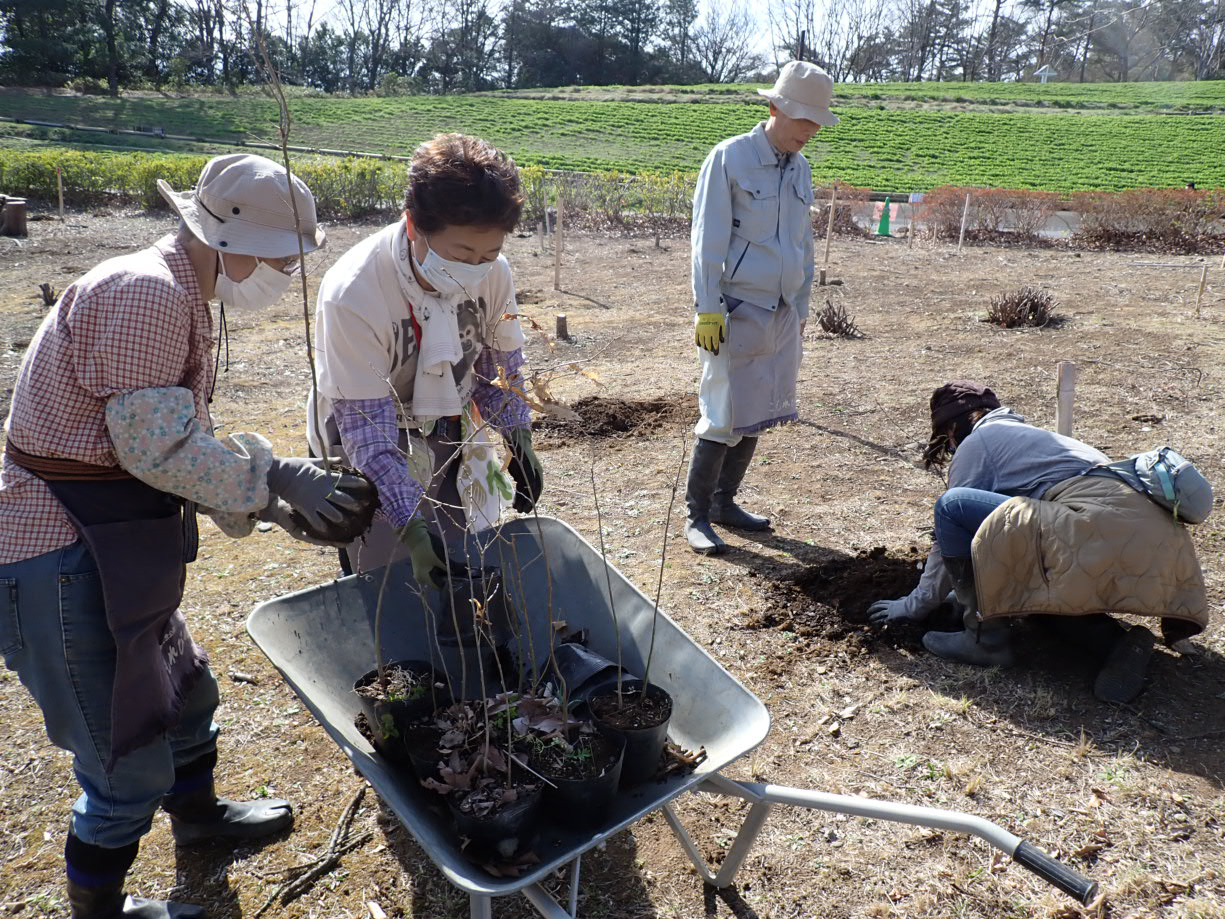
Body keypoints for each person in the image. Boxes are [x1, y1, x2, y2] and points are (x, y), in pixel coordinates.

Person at [0, 154, 374, 918]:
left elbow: (174, 432)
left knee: (186, 689)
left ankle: (198, 819)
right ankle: (99, 907)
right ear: (232, 240)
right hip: (57, 548)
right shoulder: (147, 294)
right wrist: (270, 484)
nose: (284, 273)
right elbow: (157, 449)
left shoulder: (178, 291)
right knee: (123, 752)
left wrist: (267, 493)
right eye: (280, 258)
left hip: (109, 539)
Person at [868, 381, 1209, 703]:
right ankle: (1116, 645)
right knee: (1031, 595)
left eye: (947, 438)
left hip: (1094, 528)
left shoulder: (978, 443)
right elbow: (1013, 533)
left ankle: (984, 639)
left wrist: (915, 605)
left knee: (952, 506)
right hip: (1148, 543)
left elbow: (955, 525)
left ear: (953, 428)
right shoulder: (1030, 439)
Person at [308, 133, 541, 583]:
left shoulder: (493, 274)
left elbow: (498, 371)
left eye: (489, 253)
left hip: (447, 419)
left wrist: (518, 437)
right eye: (459, 254)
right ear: (414, 226)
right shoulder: (355, 293)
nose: (474, 267)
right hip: (369, 430)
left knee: (462, 554)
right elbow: (367, 434)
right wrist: (410, 528)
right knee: (391, 570)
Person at [685, 61, 837, 555]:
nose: (810, 131)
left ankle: (725, 502)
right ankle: (696, 516)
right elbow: (707, 241)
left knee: (760, 408)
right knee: (722, 411)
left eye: (817, 122)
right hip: (735, 307)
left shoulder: (800, 167)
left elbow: (802, 244)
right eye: (804, 119)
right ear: (775, 108)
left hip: (781, 309)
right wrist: (708, 308)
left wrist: (802, 304)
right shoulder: (730, 158)